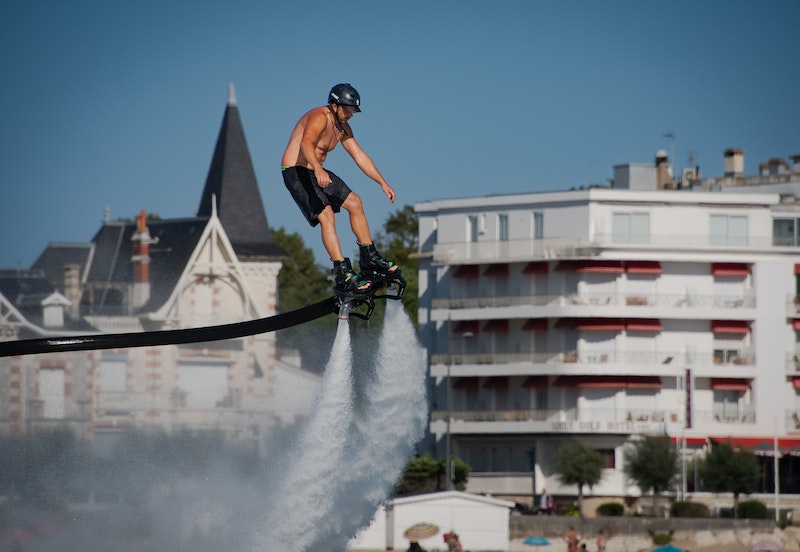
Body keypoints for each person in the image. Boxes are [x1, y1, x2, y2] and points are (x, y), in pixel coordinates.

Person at [281, 83, 398, 294]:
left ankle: (369, 259)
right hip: (296, 171)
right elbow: (306, 144)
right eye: (348, 109)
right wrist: (317, 168)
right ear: (335, 105)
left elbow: (360, 156)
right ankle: (343, 271)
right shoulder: (319, 117)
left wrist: (382, 182)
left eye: (354, 111)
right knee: (326, 215)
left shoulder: (342, 127)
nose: (351, 115)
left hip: (317, 171)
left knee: (355, 203)